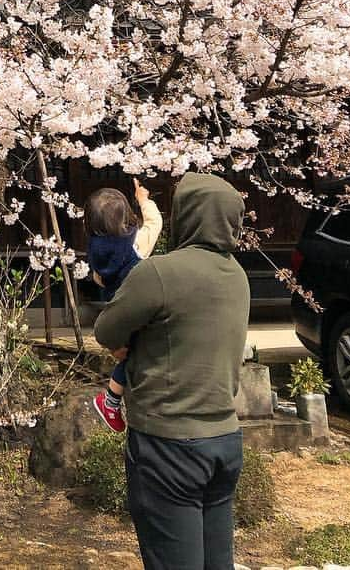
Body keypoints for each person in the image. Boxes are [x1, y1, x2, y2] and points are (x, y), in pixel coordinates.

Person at [94, 173, 250, 570]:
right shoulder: (238, 277)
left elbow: (106, 330)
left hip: (168, 443)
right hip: (225, 440)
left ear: (188, 216)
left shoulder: (161, 272)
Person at [86, 177, 163, 431]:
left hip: (116, 309)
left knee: (127, 355)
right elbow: (155, 222)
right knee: (136, 355)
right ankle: (110, 400)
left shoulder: (96, 252)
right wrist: (144, 200)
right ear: (127, 217)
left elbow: (98, 280)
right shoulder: (136, 245)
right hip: (138, 310)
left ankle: (113, 399)